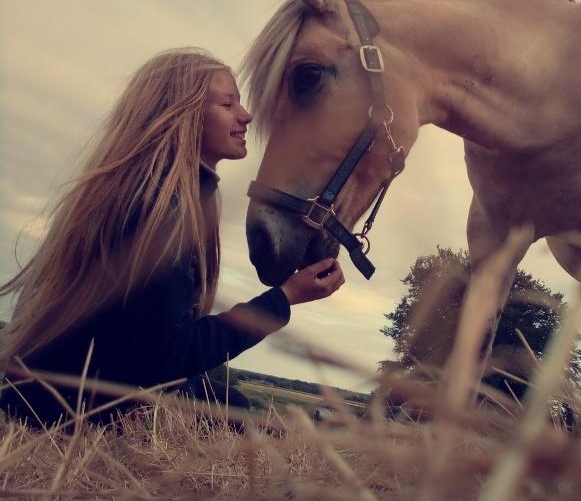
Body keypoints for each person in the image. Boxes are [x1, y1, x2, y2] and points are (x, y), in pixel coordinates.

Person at [0, 48, 345, 428]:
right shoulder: (161, 210)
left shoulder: (151, 194)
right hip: (72, 408)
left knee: (230, 402)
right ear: (184, 114)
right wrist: (285, 298)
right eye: (227, 104)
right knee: (239, 418)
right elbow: (167, 357)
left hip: (62, 392)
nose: (245, 116)